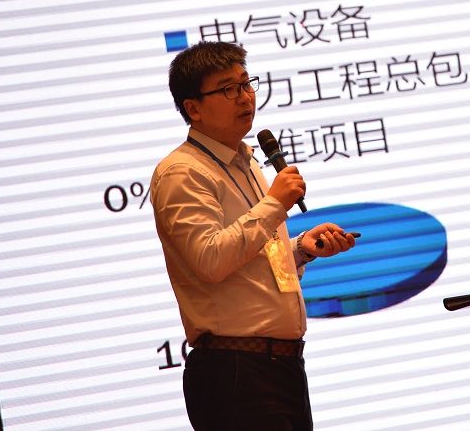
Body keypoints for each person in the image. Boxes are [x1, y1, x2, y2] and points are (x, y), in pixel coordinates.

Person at [150, 40, 356, 430]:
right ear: (193, 108)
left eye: (246, 84)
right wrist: (275, 203)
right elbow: (210, 260)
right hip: (234, 372)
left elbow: (247, 258)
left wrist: (300, 249)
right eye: (228, 89)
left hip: (281, 367)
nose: (245, 97)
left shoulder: (246, 162)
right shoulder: (182, 173)